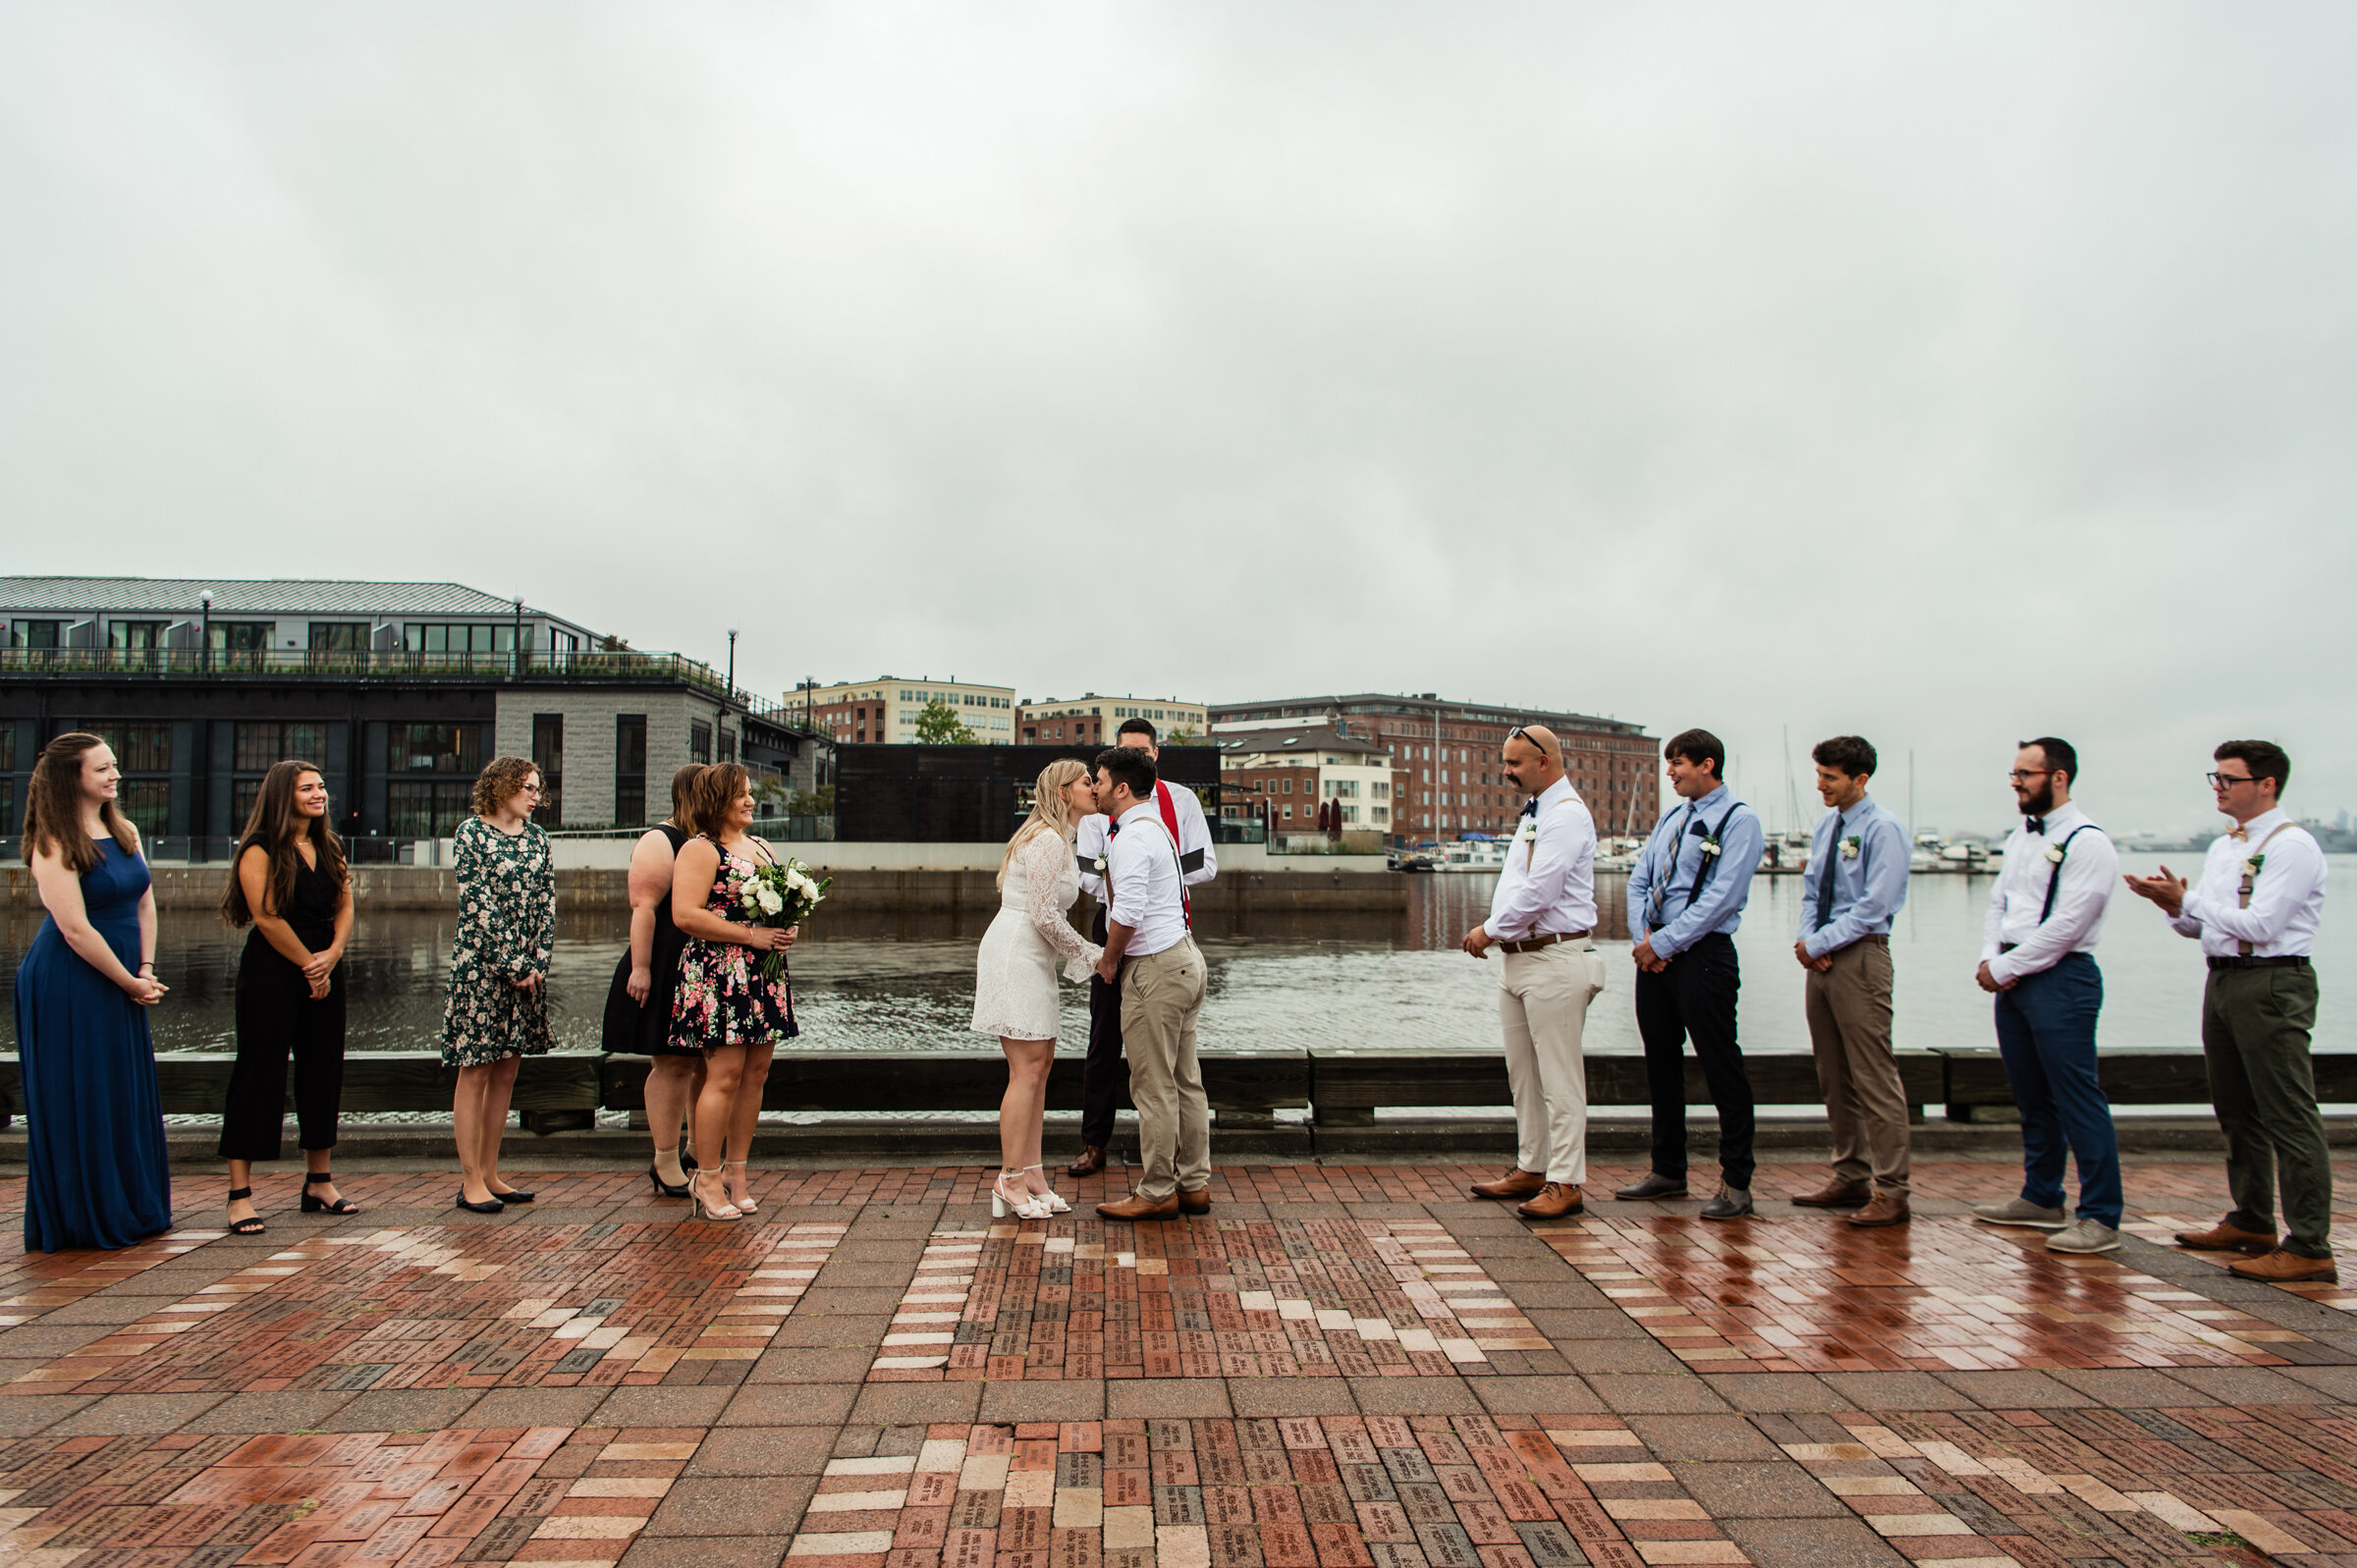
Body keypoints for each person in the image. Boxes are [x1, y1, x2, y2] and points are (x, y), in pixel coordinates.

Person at [2125, 740, 2333, 1284]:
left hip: (2271, 981)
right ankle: (2252, 1219)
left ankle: (2310, 1244)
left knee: (2289, 1113)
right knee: (2236, 1108)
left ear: (2266, 784)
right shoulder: (2225, 848)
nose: (2217, 787)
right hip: (2223, 978)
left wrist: (2189, 902)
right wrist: (2173, 906)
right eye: (2214, 778)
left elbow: (2262, 925)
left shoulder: (2294, 847)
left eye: (2228, 779)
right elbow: (2210, 925)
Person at [13, 733, 173, 1252]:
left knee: (119, 1088)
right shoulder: (52, 842)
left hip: (126, 976)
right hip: (71, 981)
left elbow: (145, 904)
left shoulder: (122, 829)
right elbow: (75, 929)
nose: (115, 775)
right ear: (71, 777)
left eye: (115, 766)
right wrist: (129, 982)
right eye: (102, 768)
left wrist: (145, 968)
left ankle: (131, 1202)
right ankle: (86, 1215)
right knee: (83, 1090)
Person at [1969, 738, 2123, 1253]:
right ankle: (2041, 1196)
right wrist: (1992, 957)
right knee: (2031, 1096)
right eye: (2013, 773)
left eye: (2025, 773)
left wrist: (2008, 965)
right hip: (2013, 976)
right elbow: (2000, 902)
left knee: (2077, 1096)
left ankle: (2100, 1215)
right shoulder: (2020, 836)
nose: (2016, 782)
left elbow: (2070, 923)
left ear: (2058, 777)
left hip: (2063, 978)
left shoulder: (2089, 841)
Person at [1461, 725, 1606, 1221]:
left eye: (1515, 764)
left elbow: (1540, 891)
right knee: (1523, 1074)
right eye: (1506, 762)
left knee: (1559, 1079)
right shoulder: (1537, 812)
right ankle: (1533, 1165)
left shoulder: (1565, 816)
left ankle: (1567, 1181)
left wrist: (1488, 929)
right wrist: (1503, 936)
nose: (1506, 772)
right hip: (1520, 960)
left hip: (1554, 958)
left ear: (1544, 761)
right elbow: (1519, 883)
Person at [1619, 728, 1765, 1219]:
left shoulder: (1739, 821)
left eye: (1678, 762)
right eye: (1669, 762)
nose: (1670, 772)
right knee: (1661, 1063)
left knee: (1721, 1063)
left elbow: (1721, 896)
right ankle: (1668, 1170)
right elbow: (1640, 879)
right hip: (1655, 956)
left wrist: (1663, 942)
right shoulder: (1671, 818)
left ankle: (1736, 1182)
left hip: (1704, 955)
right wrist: (1645, 938)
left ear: (1708, 764)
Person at [1069, 718, 1217, 1178]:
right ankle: (1097, 1142)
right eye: (1124, 750)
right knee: (1103, 1040)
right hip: (1122, 925)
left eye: (1141, 751)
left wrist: (1149, 876)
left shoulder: (1174, 805)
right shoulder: (1104, 808)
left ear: (1154, 757)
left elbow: (1205, 863)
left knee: (1163, 1069)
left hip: (1157, 931)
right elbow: (1087, 874)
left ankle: (1162, 1179)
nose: (1099, 783)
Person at [218, 760, 357, 1235]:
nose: (320, 794)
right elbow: (268, 917)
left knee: (323, 1071)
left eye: (322, 786)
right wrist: (309, 965)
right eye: (307, 788)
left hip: (324, 965)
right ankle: (240, 1196)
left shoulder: (328, 844)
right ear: (284, 796)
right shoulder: (259, 849)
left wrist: (332, 957)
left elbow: (345, 904)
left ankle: (319, 1180)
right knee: (259, 1073)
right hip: (273, 971)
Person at [972, 758, 1104, 1219]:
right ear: (1064, 792)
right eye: (1087, 781)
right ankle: (1008, 1179)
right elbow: (1046, 915)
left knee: (1040, 1066)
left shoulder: (1061, 838)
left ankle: (1033, 1174)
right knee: (1026, 1070)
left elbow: (1047, 916)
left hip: (1035, 955)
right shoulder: (1047, 839)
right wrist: (1092, 953)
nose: (1095, 787)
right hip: (1017, 954)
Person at [1792, 735, 1913, 1227]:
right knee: (1833, 1073)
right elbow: (1810, 891)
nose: (1820, 784)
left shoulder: (1884, 829)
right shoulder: (1827, 826)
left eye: (1830, 777)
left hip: (1860, 958)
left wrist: (1821, 945)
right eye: (1818, 774)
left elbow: (1874, 906)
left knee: (1872, 1076)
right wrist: (1807, 940)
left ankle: (1893, 1188)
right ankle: (1850, 1174)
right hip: (1821, 958)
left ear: (1860, 779)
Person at [671, 763, 798, 1222]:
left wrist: (788, 927)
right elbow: (684, 914)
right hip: (719, 972)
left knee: (757, 1073)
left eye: (749, 793)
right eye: (741, 794)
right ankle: (705, 1176)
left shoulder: (762, 847)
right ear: (717, 800)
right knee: (723, 1075)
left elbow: (785, 900)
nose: (750, 801)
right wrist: (750, 937)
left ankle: (736, 1174)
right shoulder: (701, 849)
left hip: (764, 971)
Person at [439, 755, 556, 1216]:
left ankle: (490, 1172)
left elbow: (548, 899)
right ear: (502, 787)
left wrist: (538, 961)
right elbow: (478, 905)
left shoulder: (538, 837)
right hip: (481, 970)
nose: (536, 796)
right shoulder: (471, 834)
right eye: (528, 787)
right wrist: (512, 963)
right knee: (477, 1070)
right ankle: (469, 1180)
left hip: (528, 972)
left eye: (537, 789)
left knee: (507, 1070)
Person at [601, 764, 707, 1197]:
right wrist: (641, 969)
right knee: (672, 1062)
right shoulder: (660, 840)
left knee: (703, 1061)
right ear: (691, 795)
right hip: (663, 963)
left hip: (700, 968)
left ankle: (697, 1150)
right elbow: (643, 908)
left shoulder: (704, 840)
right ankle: (665, 1159)